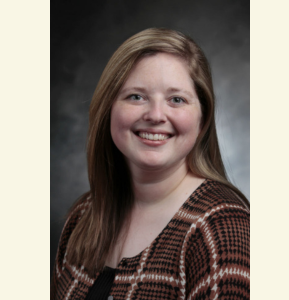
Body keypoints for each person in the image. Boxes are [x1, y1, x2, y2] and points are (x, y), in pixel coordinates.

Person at [51, 28, 250, 300]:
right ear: (108, 108)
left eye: (176, 100)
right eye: (136, 96)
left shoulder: (222, 227)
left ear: (202, 120)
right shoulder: (84, 216)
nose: (156, 115)